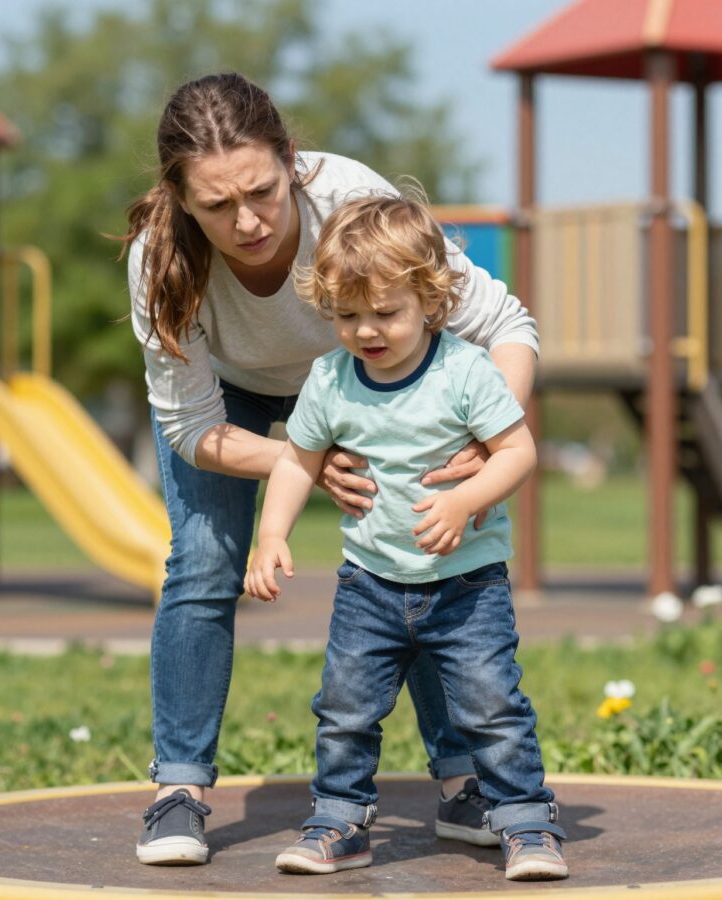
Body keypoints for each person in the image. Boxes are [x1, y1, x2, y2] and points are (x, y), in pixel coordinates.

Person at [123, 72, 540, 867]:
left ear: (291, 161)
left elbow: (507, 325)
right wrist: (303, 461)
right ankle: (179, 791)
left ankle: (464, 787)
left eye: (262, 191)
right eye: (216, 206)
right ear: (181, 199)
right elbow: (190, 426)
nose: (246, 221)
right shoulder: (160, 262)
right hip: (231, 401)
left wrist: (489, 441)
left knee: (419, 551)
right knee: (205, 562)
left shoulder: (347, 195)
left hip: (366, 372)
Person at [244, 193, 566, 881]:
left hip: (467, 586)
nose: (367, 330)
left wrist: (468, 499)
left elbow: (518, 452)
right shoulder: (330, 379)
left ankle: (527, 824)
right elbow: (299, 461)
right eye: (347, 315)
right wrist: (271, 534)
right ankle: (339, 822)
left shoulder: (465, 371)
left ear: (431, 300)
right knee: (344, 709)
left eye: (386, 312)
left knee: (491, 707)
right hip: (369, 584)